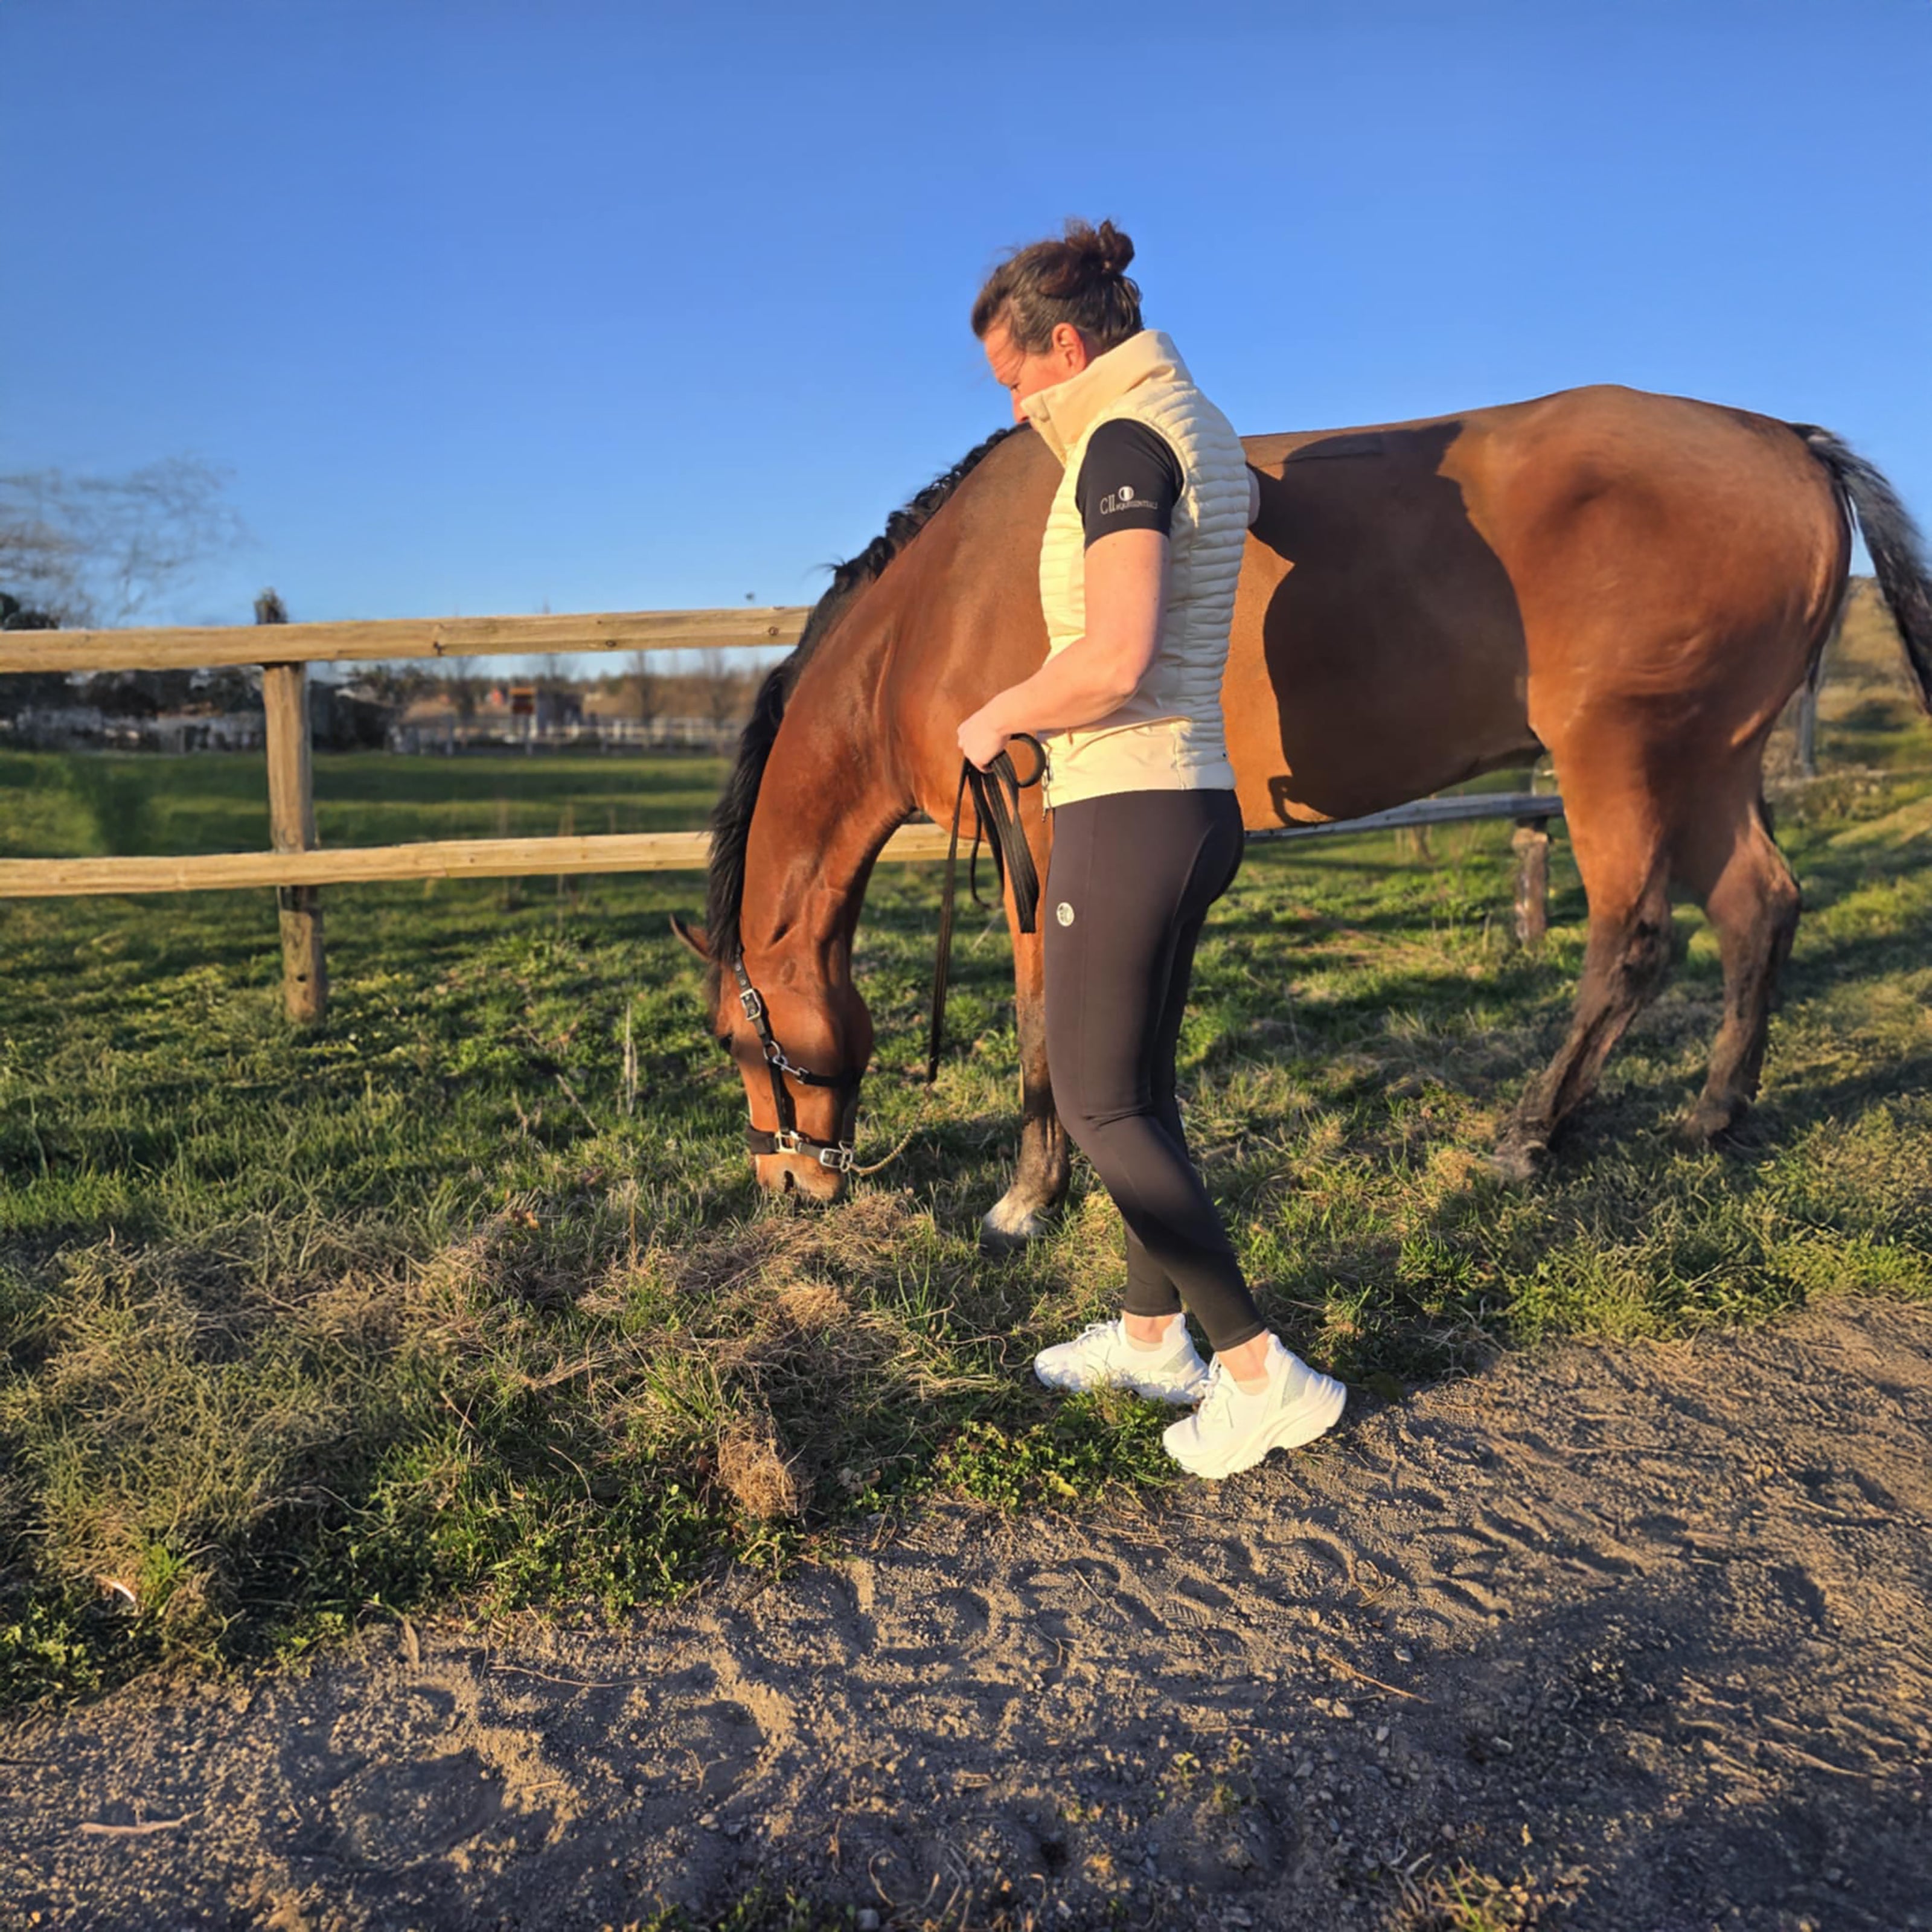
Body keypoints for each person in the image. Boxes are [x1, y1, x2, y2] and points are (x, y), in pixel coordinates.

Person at [957, 217, 1346, 1480]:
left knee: (1095, 1100)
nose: (1017, 412)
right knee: (1140, 1089)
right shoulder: (1192, 420)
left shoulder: (1124, 441)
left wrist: (1002, 709)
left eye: (1018, 383)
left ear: (1065, 346)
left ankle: (1253, 1369)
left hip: (1130, 804)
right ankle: (1147, 1335)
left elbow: (1117, 658)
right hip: (1185, 806)